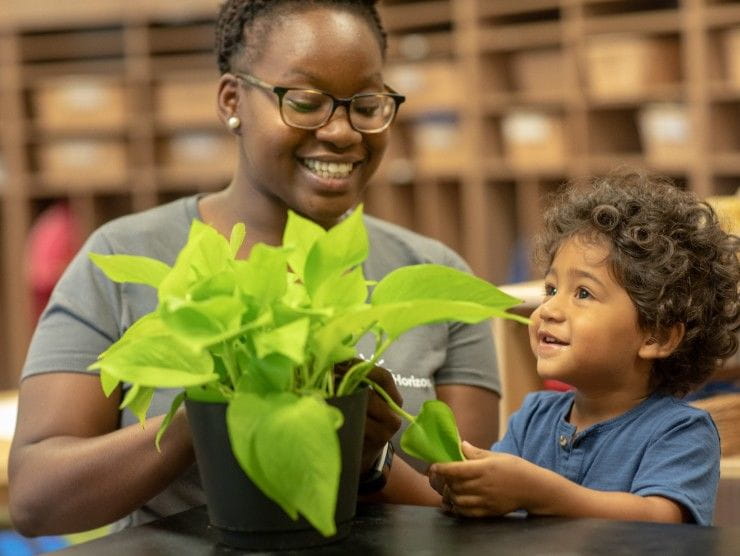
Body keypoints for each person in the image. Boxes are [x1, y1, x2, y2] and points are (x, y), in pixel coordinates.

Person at [8, 0, 500, 536]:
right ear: (231, 100)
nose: (341, 131)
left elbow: (474, 507)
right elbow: (37, 499)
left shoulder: (433, 272)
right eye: (306, 102)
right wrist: (208, 418)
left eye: (366, 103)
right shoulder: (128, 257)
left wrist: (368, 462)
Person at [429, 172, 739, 526]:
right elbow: (501, 493)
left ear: (656, 337)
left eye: (583, 293)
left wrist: (541, 493)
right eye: (550, 289)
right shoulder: (534, 417)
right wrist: (467, 485)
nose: (548, 310)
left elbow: (661, 519)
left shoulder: (682, 431)